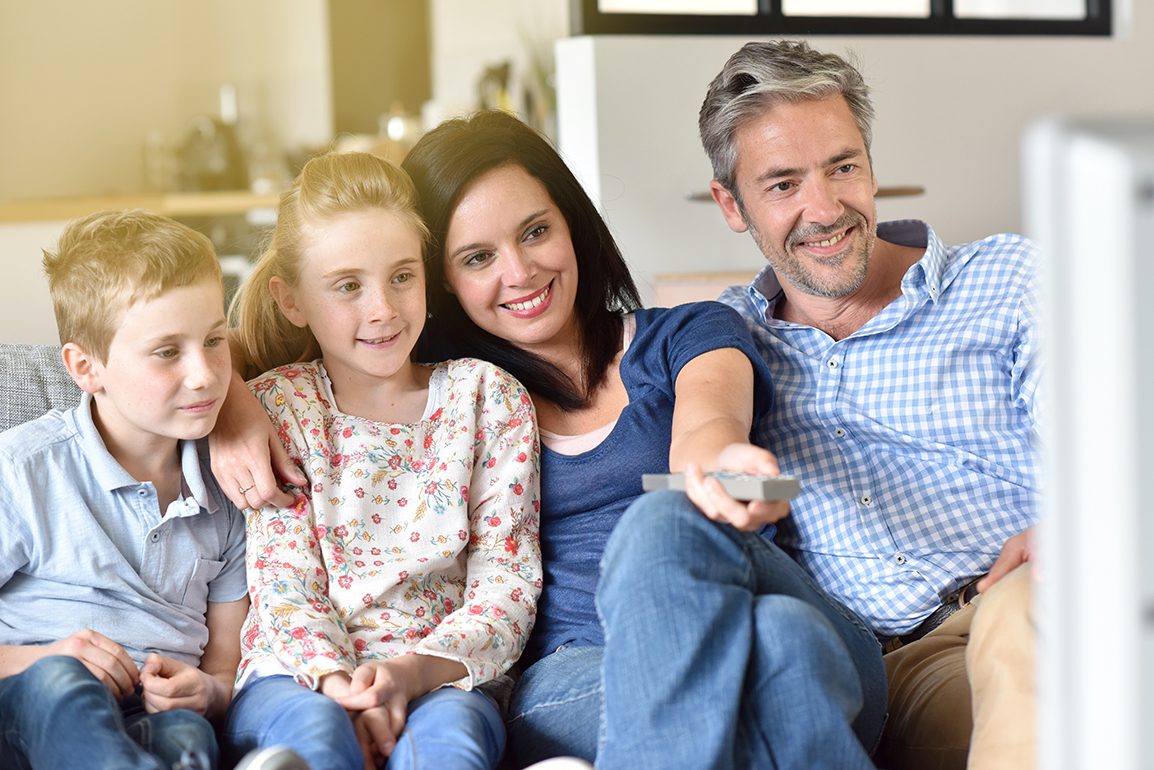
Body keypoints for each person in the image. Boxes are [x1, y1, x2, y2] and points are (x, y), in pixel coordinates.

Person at [399, 110, 887, 770]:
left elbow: (706, 426)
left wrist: (721, 464)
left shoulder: (687, 332)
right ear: (443, 282)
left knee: (669, 517)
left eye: (536, 231)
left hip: (769, 601)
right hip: (581, 673)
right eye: (478, 258)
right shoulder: (456, 407)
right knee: (785, 645)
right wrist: (234, 424)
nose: (518, 272)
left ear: (573, 225)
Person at [700, 40, 1039, 770]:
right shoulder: (724, 339)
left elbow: (1113, 444)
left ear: (873, 167)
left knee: (1028, 613)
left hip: (1058, 595)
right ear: (731, 204)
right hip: (914, 664)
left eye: (842, 167)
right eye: (783, 184)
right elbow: (696, 450)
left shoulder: (1011, 279)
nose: (824, 209)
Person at [221, 151, 542, 770]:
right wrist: (341, 686)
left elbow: (507, 581)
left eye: (402, 276)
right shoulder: (279, 407)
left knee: (449, 745)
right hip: (295, 672)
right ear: (292, 302)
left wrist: (410, 673)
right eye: (347, 286)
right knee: (316, 739)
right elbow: (285, 586)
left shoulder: (488, 397)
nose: (383, 309)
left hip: (443, 677)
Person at [0, 210, 251, 770]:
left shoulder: (230, 488)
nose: (206, 374)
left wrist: (209, 691)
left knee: (189, 736)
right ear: (86, 367)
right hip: (31, 708)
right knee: (61, 684)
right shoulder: (23, 471)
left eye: (214, 340)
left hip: (152, 718)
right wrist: (38, 660)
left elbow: (225, 660)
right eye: (167, 352)